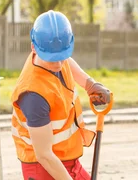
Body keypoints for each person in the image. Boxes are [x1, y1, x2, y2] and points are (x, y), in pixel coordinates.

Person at [10, 10, 111, 180]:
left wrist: (89, 84)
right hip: (43, 168)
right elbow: (44, 156)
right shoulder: (33, 95)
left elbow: (66, 62)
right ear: (33, 46)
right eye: (52, 58)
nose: (58, 63)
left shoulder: (48, 51)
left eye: (62, 56)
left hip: (67, 161)